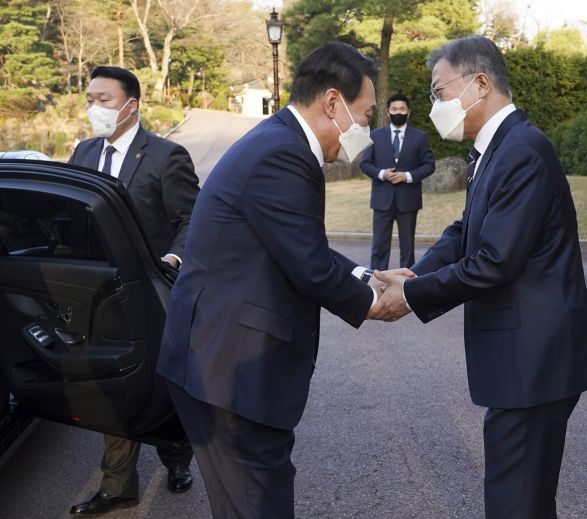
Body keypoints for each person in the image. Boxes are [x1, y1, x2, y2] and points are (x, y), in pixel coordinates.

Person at [156, 42, 401, 518]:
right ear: (332, 102)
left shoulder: (276, 140)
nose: (366, 132)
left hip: (217, 365)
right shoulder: (283, 153)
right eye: (365, 115)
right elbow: (309, 266)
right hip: (231, 375)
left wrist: (368, 274)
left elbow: (295, 244)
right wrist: (375, 301)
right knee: (258, 504)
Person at [370, 35, 587, 519]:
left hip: (535, 358)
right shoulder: (495, 147)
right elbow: (466, 230)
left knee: (517, 500)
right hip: (524, 358)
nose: (434, 105)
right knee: (519, 495)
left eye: (439, 91)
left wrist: (410, 295)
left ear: (480, 83)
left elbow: (496, 259)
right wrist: (415, 272)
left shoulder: (522, 149)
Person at [68, 66, 199, 515]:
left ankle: (177, 456)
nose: (93, 108)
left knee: (163, 384)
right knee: (114, 386)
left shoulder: (166, 156)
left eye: (103, 99)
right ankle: (117, 485)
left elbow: (191, 220)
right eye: (90, 98)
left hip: (153, 291)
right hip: (101, 294)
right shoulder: (83, 152)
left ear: (131, 105)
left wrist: (173, 260)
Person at [360, 92, 435, 269]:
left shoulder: (420, 137)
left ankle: (406, 285)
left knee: (407, 248)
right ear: (388, 112)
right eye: (394, 109)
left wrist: (407, 176)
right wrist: (382, 174)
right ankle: (376, 282)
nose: (398, 111)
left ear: (408, 111)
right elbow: (365, 164)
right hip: (381, 200)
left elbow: (429, 165)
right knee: (379, 246)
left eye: (402, 108)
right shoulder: (375, 136)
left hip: (408, 201)